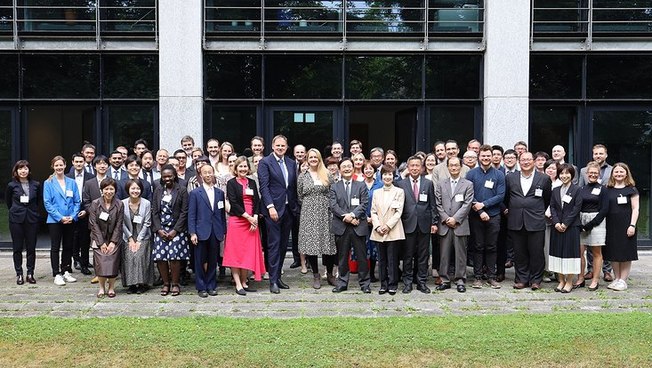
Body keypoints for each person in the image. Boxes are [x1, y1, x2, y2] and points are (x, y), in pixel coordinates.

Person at [504, 152, 552, 290]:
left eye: (528, 160)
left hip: (536, 220)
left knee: (536, 252)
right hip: (516, 220)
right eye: (523, 160)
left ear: (534, 161)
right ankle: (521, 279)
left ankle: (536, 280)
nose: (526, 162)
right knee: (519, 253)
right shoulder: (510, 178)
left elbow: (547, 198)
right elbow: (506, 198)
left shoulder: (543, 178)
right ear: (519, 162)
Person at [258, 135, 299, 294]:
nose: (280, 148)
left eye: (283, 145)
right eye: (278, 145)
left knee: (283, 246)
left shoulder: (291, 163)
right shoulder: (265, 162)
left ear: (287, 147)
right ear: (272, 146)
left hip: (289, 210)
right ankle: (273, 280)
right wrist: (270, 207)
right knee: (274, 245)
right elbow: (264, 187)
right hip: (273, 210)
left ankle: (278, 277)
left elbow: (292, 186)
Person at [397, 155, 437, 294]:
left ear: (422, 168)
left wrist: (434, 222)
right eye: (412, 166)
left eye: (417, 166)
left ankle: (421, 282)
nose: (414, 168)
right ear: (408, 168)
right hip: (407, 224)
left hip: (424, 225)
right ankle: (407, 283)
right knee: (407, 255)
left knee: (423, 256)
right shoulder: (401, 184)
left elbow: (433, 205)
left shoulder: (428, 183)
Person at [466, 145, 505, 289]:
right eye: (483, 156)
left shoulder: (499, 175)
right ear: (479, 157)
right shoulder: (471, 174)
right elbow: (469, 195)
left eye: (488, 155)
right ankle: (477, 277)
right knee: (477, 246)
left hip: (494, 216)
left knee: (492, 246)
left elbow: (500, 195)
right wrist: (480, 210)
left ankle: (491, 277)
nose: (486, 158)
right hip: (476, 216)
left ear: (492, 156)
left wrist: (484, 205)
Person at [297, 148, 337, 289]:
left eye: (316, 157)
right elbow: (300, 195)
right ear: (307, 159)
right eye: (311, 157)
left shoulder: (327, 174)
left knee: (328, 244)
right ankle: (315, 274)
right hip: (309, 213)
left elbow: (333, 192)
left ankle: (330, 274)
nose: (313, 159)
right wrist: (312, 204)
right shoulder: (303, 176)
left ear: (319, 159)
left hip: (325, 212)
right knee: (311, 245)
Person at [330, 157, 370, 293]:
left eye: (349, 166)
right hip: (341, 227)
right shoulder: (334, 187)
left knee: (362, 257)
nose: (347, 169)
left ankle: (365, 284)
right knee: (342, 257)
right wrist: (347, 218)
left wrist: (352, 215)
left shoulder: (361, 185)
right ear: (340, 170)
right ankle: (342, 283)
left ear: (353, 169)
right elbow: (333, 205)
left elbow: (364, 204)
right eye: (344, 167)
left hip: (358, 226)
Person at [435, 157, 474, 293]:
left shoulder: (468, 184)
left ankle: (460, 280)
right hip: (445, 225)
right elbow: (438, 203)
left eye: (456, 165)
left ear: (461, 167)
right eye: (451, 165)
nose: (454, 168)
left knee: (460, 254)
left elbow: (467, 204)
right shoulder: (441, 184)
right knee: (444, 254)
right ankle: (444, 279)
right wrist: (446, 218)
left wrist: (455, 219)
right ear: (447, 167)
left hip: (460, 224)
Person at [189, 164, 227, 297]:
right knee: (199, 260)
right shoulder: (195, 193)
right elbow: (191, 215)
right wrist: (192, 232)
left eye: (210, 172)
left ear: (213, 173)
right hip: (200, 232)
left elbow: (221, 214)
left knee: (213, 260)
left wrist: (223, 230)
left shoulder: (219, 193)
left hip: (215, 231)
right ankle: (201, 287)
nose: (208, 175)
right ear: (201, 175)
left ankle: (211, 285)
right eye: (205, 173)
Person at [152, 164, 190, 297]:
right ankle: (165, 283)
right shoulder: (157, 190)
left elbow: (184, 212)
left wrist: (175, 231)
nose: (167, 178)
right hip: (161, 230)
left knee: (174, 258)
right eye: (164, 176)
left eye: (169, 176)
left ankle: (175, 284)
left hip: (176, 230)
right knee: (161, 258)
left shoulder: (182, 190)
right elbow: (154, 212)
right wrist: (158, 229)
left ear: (174, 176)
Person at [578, 144, 614, 282]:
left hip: (601, 211)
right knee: (584, 249)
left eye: (601, 153)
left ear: (606, 155)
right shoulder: (583, 171)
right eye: (596, 154)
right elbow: (580, 189)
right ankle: (590, 270)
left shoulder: (612, 170)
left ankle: (606, 271)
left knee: (601, 245)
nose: (598, 156)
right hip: (584, 214)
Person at [43, 155, 81, 286]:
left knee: (68, 246)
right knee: (55, 247)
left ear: (65, 165)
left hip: (70, 219)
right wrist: (60, 217)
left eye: (61, 165)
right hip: (55, 221)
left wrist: (73, 216)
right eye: (56, 165)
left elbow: (77, 201)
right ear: (53, 167)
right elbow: (47, 203)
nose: (59, 167)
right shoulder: (48, 183)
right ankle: (56, 273)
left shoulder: (72, 182)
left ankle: (66, 271)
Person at [370, 164, 405, 295]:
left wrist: (387, 226)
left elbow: (398, 212)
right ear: (381, 176)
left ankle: (392, 283)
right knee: (382, 259)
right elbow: (373, 211)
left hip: (393, 229)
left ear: (393, 176)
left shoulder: (399, 192)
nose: (387, 177)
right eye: (385, 174)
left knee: (392, 259)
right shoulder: (376, 192)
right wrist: (378, 226)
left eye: (390, 174)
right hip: (379, 230)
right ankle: (383, 284)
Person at [604, 163, 639, 291]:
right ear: (612, 174)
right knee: (613, 253)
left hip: (626, 225)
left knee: (625, 253)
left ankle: (623, 280)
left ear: (626, 173)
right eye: (616, 172)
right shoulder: (608, 189)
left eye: (621, 172)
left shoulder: (632, 189)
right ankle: (616, 278)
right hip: (611, 225)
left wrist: (632, 225)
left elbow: (636, 209)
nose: (619, 174)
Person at [548, 164, 583, 293]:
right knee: (557, 253)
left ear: (572, 175)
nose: (564, 176)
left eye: (567, 173)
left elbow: (576, 208)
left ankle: (569, 281)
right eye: (561, 173)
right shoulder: (556, 190)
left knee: (570, 254)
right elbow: (552, 207)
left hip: (571, 227)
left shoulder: (577, 190)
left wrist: (565, 223)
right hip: (556, 227)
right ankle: (561, 280)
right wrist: (556, 222)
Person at [6, 160, 41, 285]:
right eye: (20, 168)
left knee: (31, 248)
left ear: (29, 170)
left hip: (31, 219)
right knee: (17, 248)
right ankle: (19, 274)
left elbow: (38, 201)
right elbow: (8, 203)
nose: (23, 171)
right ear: (16, 171)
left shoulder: (36, 184)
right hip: (16, 220)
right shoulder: (11, 185)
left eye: (25, 168)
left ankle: (30, 273)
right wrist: (16, 211)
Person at [88, 178, 123, 298]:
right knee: (100, 264)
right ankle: (101, 288)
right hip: (98, 239)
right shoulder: (95, 204)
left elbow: (119, 224)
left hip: (113, 239)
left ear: (115, 190)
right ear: (102, 190)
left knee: (112, 264)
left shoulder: (119, 204)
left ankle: (112, 288)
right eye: (106, 189)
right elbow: (93, 224)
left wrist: (113, 242)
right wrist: (101, 242)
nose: (109, 191)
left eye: (111, 189)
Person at [121, 179, 154, 294]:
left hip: (143, 235)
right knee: (130, 256)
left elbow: (147, 223)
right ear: (128, 190)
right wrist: (130, 239)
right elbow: (122, 223)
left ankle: (142, 283)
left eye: (138, 188)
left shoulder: (146, 203)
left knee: (139, 256)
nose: (135, 191)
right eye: (133, 188)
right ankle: (131, 285)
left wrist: (139, 240)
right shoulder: (122, 203)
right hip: (128, 235)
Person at [66, 153, 94, 275]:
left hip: (85, 211)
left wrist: (87, 210)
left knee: (84, 239)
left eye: (81, 162)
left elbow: (92, 197)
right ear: (72, 162)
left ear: (84, 163)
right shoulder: (67, 177)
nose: (78, 164)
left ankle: (84, 264)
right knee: (72, 238)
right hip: (70, 212)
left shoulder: (91, 177)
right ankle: (74, 260)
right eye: (76, 162)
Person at [362, 160, 382, 282]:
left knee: (375, 247)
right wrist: (365, 218)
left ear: (374, 171)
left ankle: (373, 273)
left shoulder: (379, 185)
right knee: (364, 247)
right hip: (362, 220)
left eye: (371, 168)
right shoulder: (358, 184)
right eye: (366, 168)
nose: (368, 170)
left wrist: (374, 218)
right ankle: (364, 273)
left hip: (377, 220)